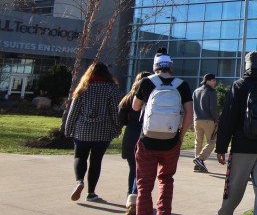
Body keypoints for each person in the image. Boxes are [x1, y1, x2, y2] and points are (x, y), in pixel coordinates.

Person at [216, 51, 257, 215]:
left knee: (234, 189)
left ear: (247, 65)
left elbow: (228, 118)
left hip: (243, 146)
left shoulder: (239, 85)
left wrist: (221, 147)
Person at [132, 47, 193, 215]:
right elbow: (189, 113)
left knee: (144, 185)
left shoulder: (146, 82)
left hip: (147, 141)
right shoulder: (182, 85)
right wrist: (180, 137)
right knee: (166, 180)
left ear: (155, 66)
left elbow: (135, 107)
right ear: (170, 67)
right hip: (171, 141)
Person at [65, 62, 122, 203]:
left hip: (82, 130)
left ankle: (79, 181)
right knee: (96, 161)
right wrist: (117, 127)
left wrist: (68, 129)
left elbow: (73, 111)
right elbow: (115, 112)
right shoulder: (112, 89)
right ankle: (91, 193)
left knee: (79, 157)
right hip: (102, 131)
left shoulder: (83, 88)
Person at [118, 71, 151, 214]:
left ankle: (130, 198)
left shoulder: (127, 99)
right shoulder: (150, 97)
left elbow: (121, 120)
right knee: (142, 171)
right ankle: (136, 201)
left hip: (130, 135)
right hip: (145, 135)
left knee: (133, 169)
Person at [192, 73, 219, 173]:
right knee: (212, 141)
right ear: (208, 80)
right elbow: (213, 108)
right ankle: (200, 159)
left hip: (197, 119)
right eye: (213, 80)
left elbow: (193, 106)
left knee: (198, 142)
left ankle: (197, 164)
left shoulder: (196, 91)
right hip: (208, 120)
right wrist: (216, 119)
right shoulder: (211, 92)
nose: (215, 82)